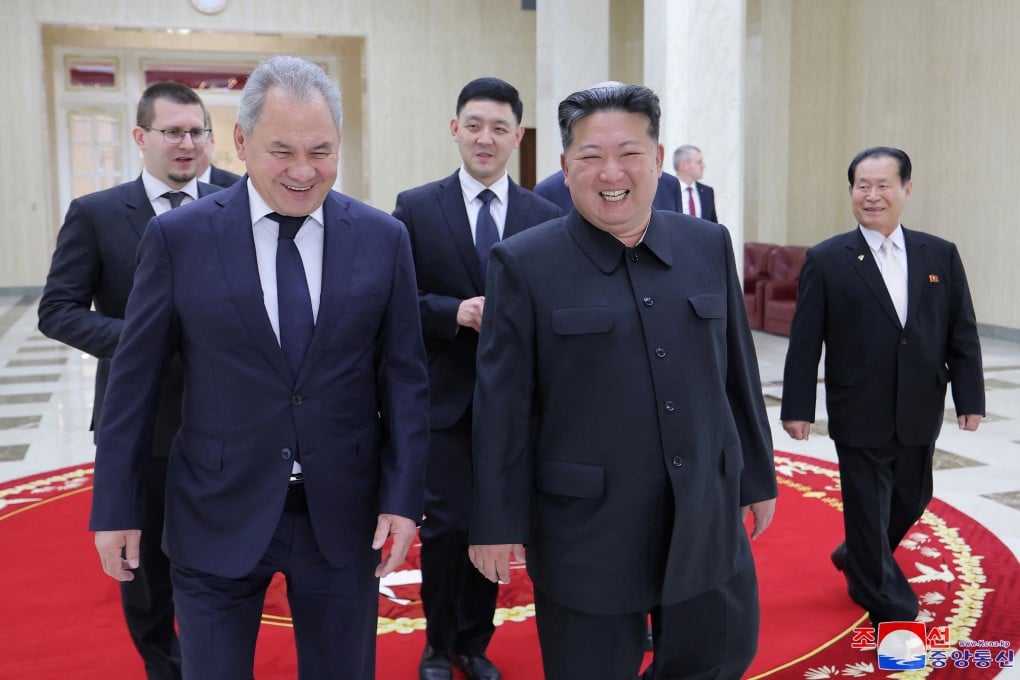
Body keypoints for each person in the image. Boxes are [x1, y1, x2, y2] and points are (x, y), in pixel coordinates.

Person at [88, 55, 430, 680]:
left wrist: (405, 498)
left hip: (343, 514)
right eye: (282, 151)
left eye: (321, 151)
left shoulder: (384, 238)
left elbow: (405, 380)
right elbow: (133, 385)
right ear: (242, 142)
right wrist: (114, 507)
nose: (303, 172)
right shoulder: (179, 238)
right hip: (215, 508)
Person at [468, 83, 777, 680]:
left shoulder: (707, 244)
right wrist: (496, 522)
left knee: (719, 654)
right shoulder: (523, 262)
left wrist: (757, 476)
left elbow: (736, 370)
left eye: (630, 153)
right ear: (564, 167)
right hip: (587, 526)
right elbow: (502, 405)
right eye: (590, 157)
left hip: (703, 512)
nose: (612, 172)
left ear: (658, 160)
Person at [38, 81, 224, 680]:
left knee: (224, 553)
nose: (187, 144)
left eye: (197, 131)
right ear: (142, 137)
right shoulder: (96, 214)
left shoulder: (239, 197)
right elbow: (57, 310)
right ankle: (162, 667)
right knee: (145, 569)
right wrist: (140, 341)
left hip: (230, 415)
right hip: (141, 421)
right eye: (173, 132)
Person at [393, 77, 560, 680]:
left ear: (517, 135)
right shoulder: (415, 206)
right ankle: (438, 645)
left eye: (498, 128)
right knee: (450, 528)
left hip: (519, 403)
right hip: (447, 401)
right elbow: (394, 302)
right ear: (455, 128)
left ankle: (475, 644)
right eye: (474, 125)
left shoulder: (546, 215)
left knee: (497, 525)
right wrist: (452, 312)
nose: (484, 138)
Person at [780, 146, 984, 628]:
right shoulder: (828, 259)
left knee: (913, 497)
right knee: (867, 506)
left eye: (883, 185)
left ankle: (857, 555)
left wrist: (970, 397)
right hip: (858, 405)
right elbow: (805, 339)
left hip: (920, 402)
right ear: (851, 192)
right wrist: (797, 406)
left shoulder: (940, 254)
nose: (872, 196)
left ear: (906, 190)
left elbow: (962, 331)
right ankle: (890, 603)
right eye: (862, 186)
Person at [533, 167, 683, 213]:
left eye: (629, 152)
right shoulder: (548, 191)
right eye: (593, 154)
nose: (611, 176)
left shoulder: (669, 185)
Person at [672, 144, 717, 222]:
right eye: (699, 162)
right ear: (683, 165)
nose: (703, 166)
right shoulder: (667, 191)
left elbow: (713, 226)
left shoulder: (707, 192)